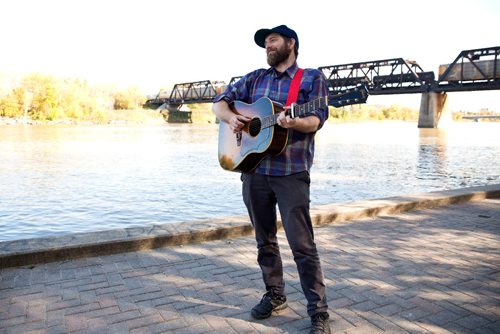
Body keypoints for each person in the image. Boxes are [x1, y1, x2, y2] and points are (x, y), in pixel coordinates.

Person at [212, 24, 331, 334]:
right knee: (264, 240)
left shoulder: (312, 79)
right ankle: (275, 294)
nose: (268, 46)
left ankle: (318, 312)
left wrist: (296, 120)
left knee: (302, 245)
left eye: (273, 40)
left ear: (290, 43)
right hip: (254, 172)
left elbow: (315, 120)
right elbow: (220, 104)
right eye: (265, 43)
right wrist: (233, 118)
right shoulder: (255, 78)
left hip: (290, 173)